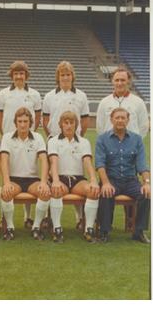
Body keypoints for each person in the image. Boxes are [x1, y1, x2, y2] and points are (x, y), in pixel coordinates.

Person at [42, 60, 90, 229]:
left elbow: (84, 120)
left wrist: (77, 137)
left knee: (76, 175)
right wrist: (54, 137)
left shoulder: (81, 96)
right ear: (58, 77)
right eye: (62, 75)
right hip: (55, 141)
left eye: (68, 74)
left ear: (72, 76)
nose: (65, 77)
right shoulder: (49, 96)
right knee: (52, 178)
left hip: (74, 142)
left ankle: (80, 218)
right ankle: (49, 217)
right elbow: (45, 119)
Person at [0, 60, 42, 229]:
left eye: (21, 73)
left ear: (26, 75)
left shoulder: (35, 94)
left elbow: (37, 116)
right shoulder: (3, 93)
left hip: (27, 137)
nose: (19, 76)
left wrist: (29, 132)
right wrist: (5, 134)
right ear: (12, 76)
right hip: (9, 139)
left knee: (28, 171)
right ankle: (4, 217)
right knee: (7, 175)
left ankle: (28, 216)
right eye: (16, 74)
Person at [95, 107, 150, 244]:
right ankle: (104, 231)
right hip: (111, 179)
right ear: (111, 120)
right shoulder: (102, 139)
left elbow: (142, 164)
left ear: (128, 120)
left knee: (146, 194)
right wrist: (106, 183)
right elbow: (100, 164)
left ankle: (138, 232)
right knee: (106, 193)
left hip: (131, 181)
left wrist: (147, 182)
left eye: (123, 118)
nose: (120, 120)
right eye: (117, 118)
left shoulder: (136, 139)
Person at [47, 111, 100, 243]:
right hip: (60, 178)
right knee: (56, 190)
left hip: (77, 180)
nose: (69, 126)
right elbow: (53, 161)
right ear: (61, 125)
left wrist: (93, 180)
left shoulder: (84, 142)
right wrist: (56, 181)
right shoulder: (53, 141)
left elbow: (87, 162)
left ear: (76, 125)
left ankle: (88, 229)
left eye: (72, 123)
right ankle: (57, 229)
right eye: (66, 123)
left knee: (93, 191)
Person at [0, 107, 51, 241]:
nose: (23, 124)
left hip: (32, 180)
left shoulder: (38, 137)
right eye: (20, 121)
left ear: (30, 123)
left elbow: (44, 161)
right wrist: (6, 183)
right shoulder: (7, 137)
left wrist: (44, 183)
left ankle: (36, 227)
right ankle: (10, 228)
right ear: (15, 123)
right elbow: (3, 161)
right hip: (14, 180)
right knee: (6, 193)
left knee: (45, 193)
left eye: (25, 121)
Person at [96, 66, 149, 138]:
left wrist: (134, 142)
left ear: (128, 81)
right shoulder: (104, 102)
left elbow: (144, 126)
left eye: (123, 80)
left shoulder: (139, 102)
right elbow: (100, 127)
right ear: (112, 81)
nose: (119, 83)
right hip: (109, 146)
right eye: (117, 80)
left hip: (131, 147)